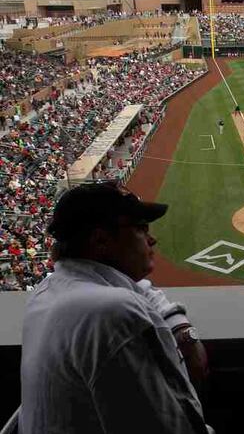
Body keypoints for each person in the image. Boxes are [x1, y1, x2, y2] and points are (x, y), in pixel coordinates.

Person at [20, 182, 213, 434]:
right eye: (140, 229)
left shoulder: (47, 291)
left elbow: (139, 288)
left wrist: (178, 324)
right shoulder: (112, 312)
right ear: (101, 240)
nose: (152, 238)